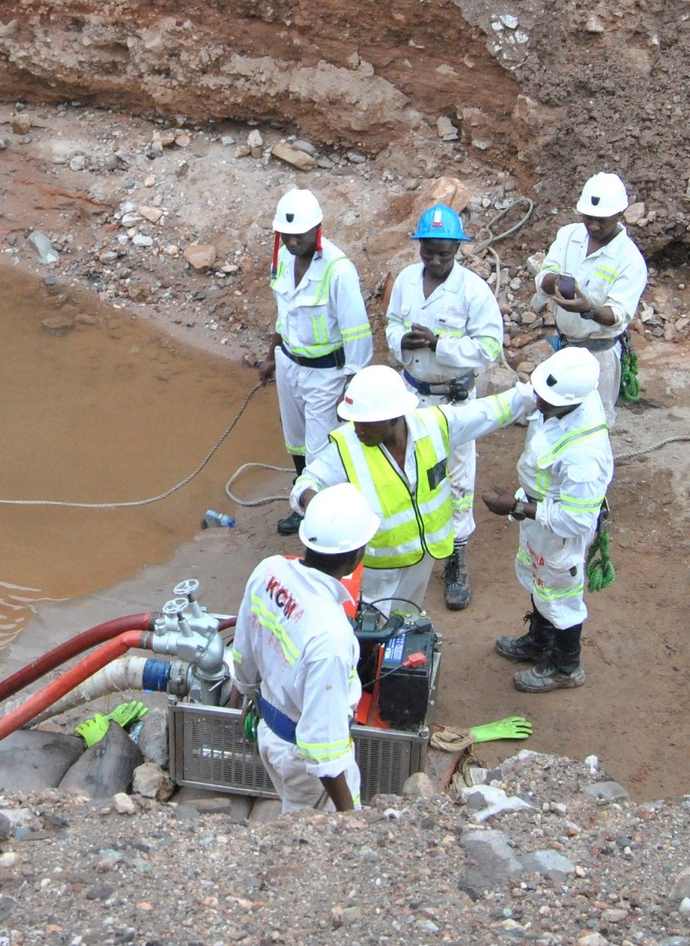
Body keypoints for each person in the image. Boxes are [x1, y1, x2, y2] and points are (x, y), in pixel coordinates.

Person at [288, 365, 532, 614]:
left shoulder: (434, 425)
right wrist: (316, 505)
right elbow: (306, 484)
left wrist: (535, 394)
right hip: (378, 568)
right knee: (371, 626)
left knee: (406, 618)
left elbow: (488, 412)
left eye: (366, 424)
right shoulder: (345, 448)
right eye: (354, 422)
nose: (358, 429)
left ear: (394, 418)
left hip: (422, 557)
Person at [227, 482, 381, 813]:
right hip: (304, 764)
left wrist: (242, 688)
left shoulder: (269, 570)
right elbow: (323, 750)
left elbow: (243, 648)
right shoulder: (331, 637)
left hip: (271, 732)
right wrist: (349, 816)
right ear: (357, 556)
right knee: (311, 835)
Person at [384, 203, 506, 611]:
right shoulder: (405, 280)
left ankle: (455, 558)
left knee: (456, 478)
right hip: (412, 394)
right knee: (410, 471)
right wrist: (403, 341)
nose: (435, 261)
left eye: (444, 253)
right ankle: (415, 545)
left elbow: (488, 348)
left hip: (453, 399)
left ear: (458, 248)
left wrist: (441, 344)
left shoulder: (473, 291)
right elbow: (391, 322)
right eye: (428, 252)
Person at [480, 347, 613, 692]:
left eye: (545, 399)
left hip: (559, 529)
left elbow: (576, 521)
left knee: (562, 594)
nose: (538, 402)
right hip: (540, 517)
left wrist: (518, 508)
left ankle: (566, 665)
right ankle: (540, 640)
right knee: (540, 579)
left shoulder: (585, 455)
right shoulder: (564, 399)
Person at [259, 188, 373, 535]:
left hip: (326, 373)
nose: (293, 243)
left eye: (299, 236)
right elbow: (285, 313)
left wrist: (351, 388)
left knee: (319, 449)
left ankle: (325, 515)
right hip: (289, 363)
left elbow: (357, 334)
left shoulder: (338, 270)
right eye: (287, 236)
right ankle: (301, 498)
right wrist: (271, 356)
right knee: (294, 439)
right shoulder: (282, 257)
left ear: (317, 230)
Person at [532, 173, 648, 422]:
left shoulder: (629, 260)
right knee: (554, 414)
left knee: (592, 422)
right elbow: (544, 275)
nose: (593, 226)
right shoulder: (569, 236)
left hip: (599, 356)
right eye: (588, 219)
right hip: (564, 347)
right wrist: (554, 282)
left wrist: (589, 310)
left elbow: (617, 315)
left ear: (619, 214)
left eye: (601, 221)